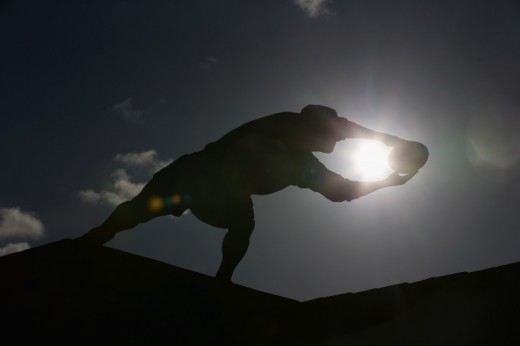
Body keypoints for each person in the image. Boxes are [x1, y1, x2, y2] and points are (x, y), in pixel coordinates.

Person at [78, 105, 417, 282]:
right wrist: (388, 140)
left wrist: (388, 180)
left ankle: (223, 279)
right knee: (139, 210)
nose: (337, 139)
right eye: (330, 134)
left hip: (216, 194)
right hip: (191, 175)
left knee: (243, 221)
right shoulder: (282, 124)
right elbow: (343, 128)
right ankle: (98, 235)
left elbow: (342, 191)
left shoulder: (304, 165)